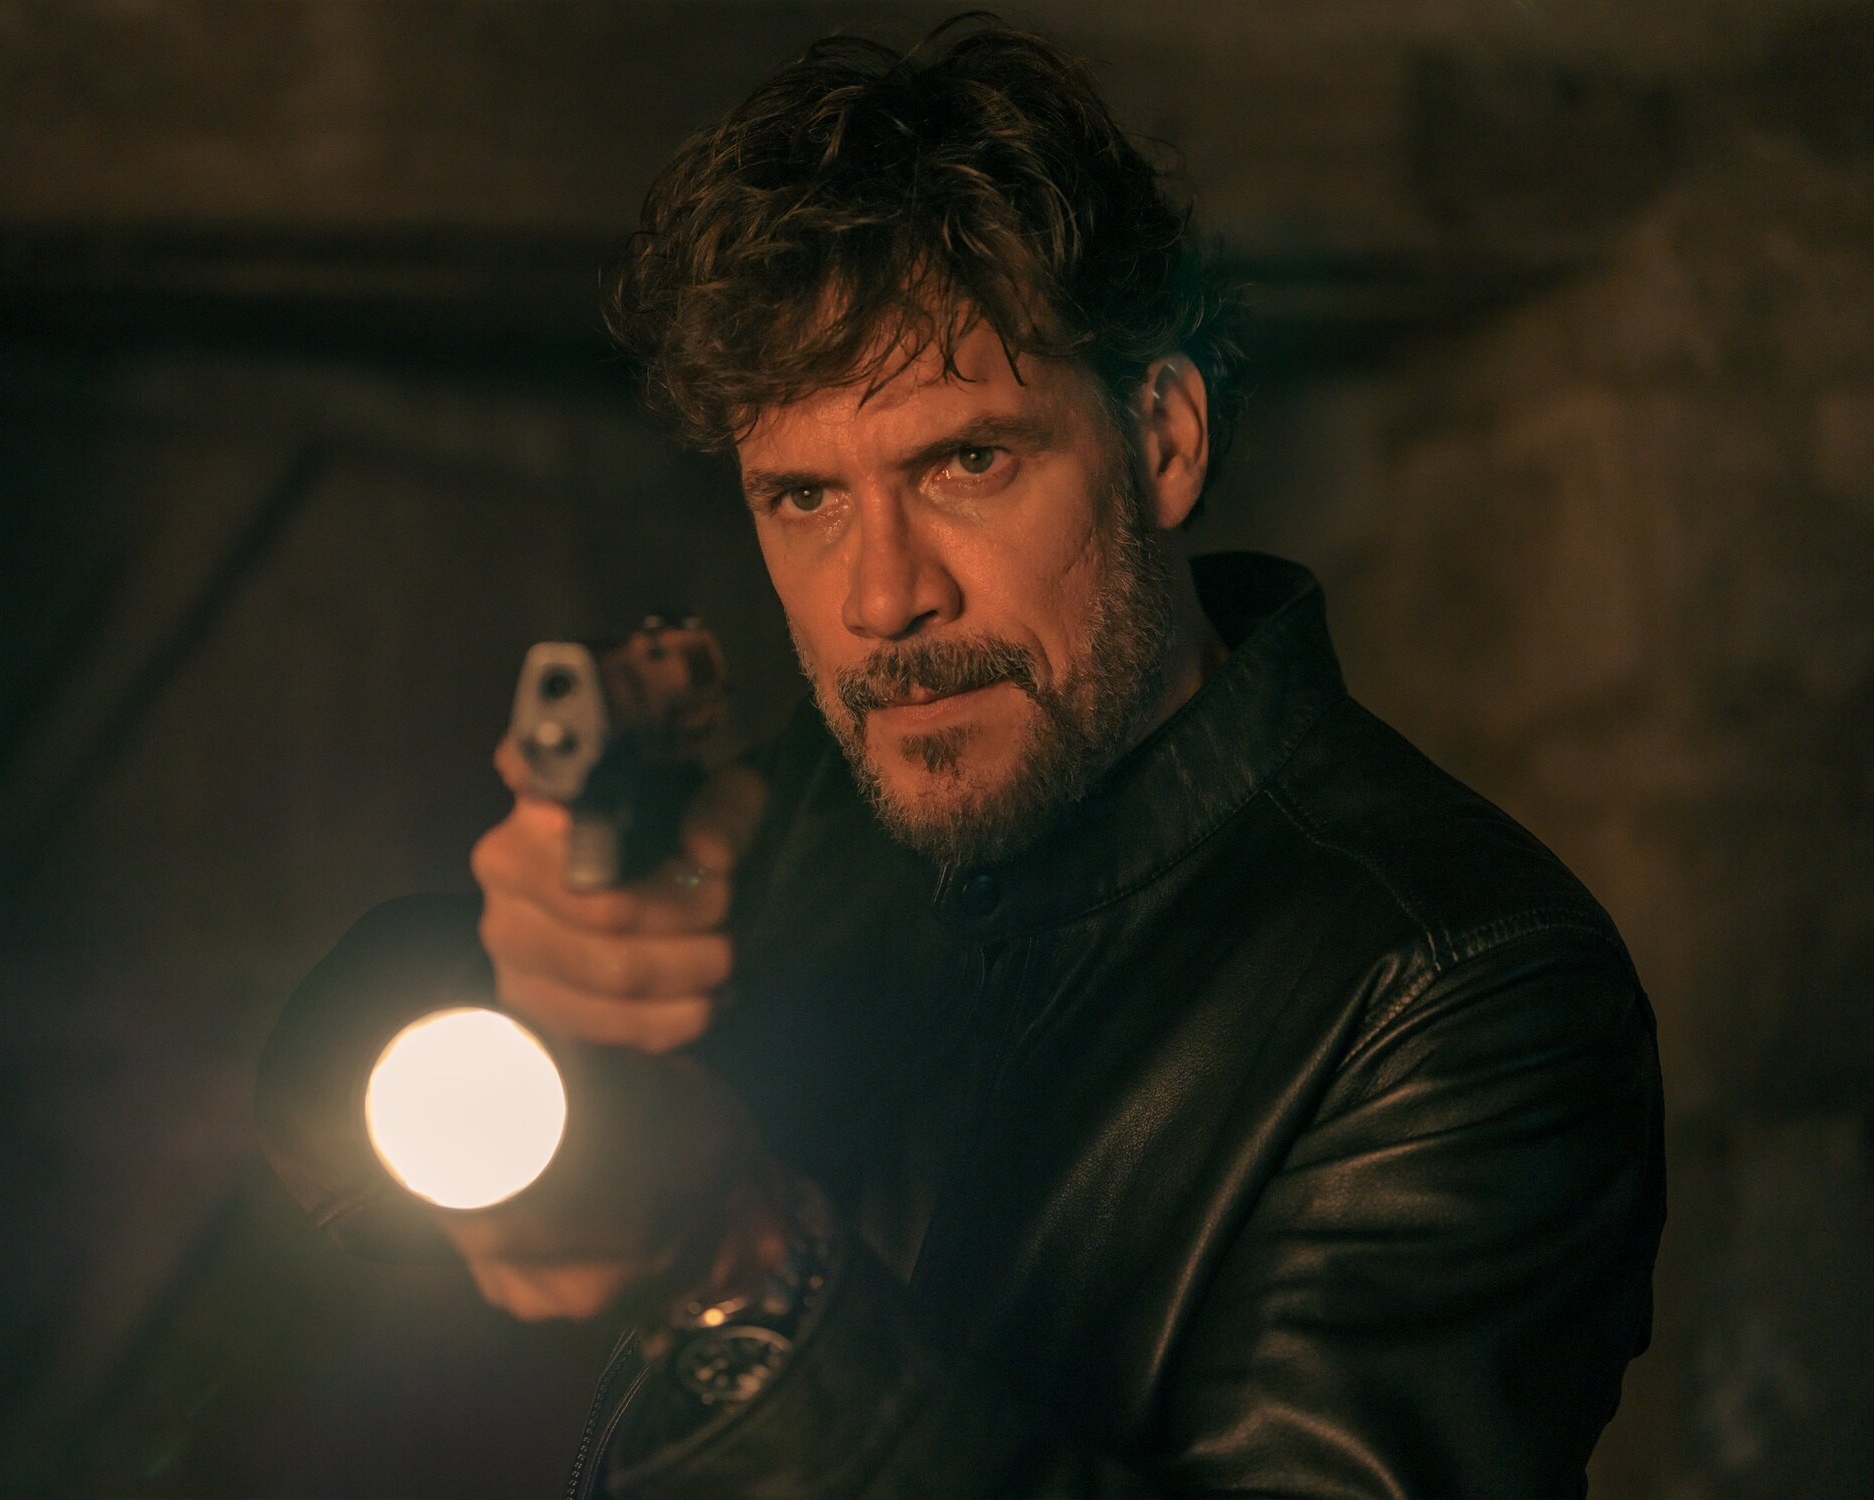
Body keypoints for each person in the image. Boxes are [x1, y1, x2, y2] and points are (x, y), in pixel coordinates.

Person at [258, 20, 1665, 1498]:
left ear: (1164, 441)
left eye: (966, 463)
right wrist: (533, 980)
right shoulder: (809, 815)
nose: (883, 598)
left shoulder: (1468, 986)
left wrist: (740, 1274)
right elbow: (345, 1152)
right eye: (805, 497)